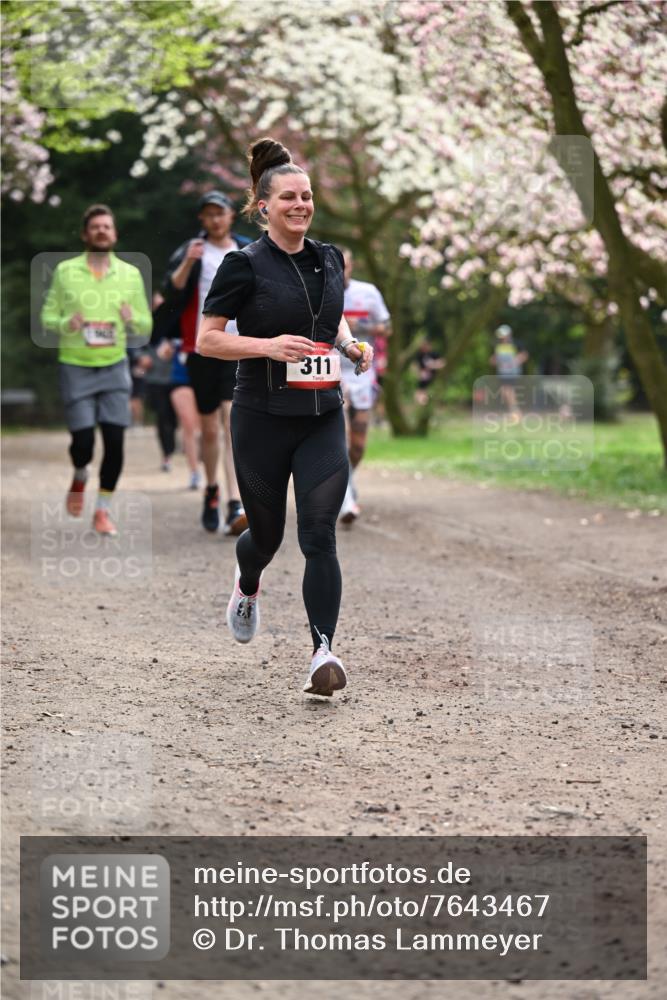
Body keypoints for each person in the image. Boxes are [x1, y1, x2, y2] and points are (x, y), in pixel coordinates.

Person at [197, 137, 373, 697]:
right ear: (264, 205)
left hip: (322, 413)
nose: (301, 204)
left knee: (319, 534)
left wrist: (348, 346)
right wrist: (268, 347)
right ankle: (247, 584)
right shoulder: (242, 265)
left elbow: (330, 319)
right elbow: (208, 341)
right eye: (289, 197)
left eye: (308, 196)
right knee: (267, 537)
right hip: (262, 416)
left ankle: (323, 653)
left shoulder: (329, 258)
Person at [41, 203, 152, 535]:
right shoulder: (65, 272)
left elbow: (146, 322)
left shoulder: (130, 274)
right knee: (83, 443)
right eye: (96, 227)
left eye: (107, 226)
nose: (102, 230)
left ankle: (102, 510)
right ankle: (79, 473)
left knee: (116, 440)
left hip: (115, 366)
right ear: (85, 234)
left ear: (115, 234)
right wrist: (67, 322)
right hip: (76, 366)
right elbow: (47, 318)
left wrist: (134, 319)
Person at [162, 192, 251, 534]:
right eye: (209, 214)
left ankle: (235, 503)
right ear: (202, 219)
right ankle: (211, 490)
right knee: (209, 428)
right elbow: (171, 290)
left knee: (231, 422)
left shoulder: (246, 249)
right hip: (200, 347)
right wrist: (188, 261)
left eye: (221, 213)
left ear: (231, 216)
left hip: (236, 344)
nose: (215, 220)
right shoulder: (192, 250)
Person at [338, 248, 390, 525]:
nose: (341, 270)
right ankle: (345, 498)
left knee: (357, 444)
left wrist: (364, 327)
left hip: (363, 373)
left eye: (345, 265)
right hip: (334, 371)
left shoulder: (368, 292)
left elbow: (386, 327)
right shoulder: (320, 290)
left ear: (352, 266)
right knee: (342, 437)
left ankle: (347, 481)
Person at [490, 324, 529, 421]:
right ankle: (515, 412)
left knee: (508, 391)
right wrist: (494, 361)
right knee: (505, 392)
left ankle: (515, 413)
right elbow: (494, 359)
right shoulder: (498, 346)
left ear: (509, 334)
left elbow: (524, 355)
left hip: (512, 372)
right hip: (502, 372)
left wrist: (515, 362)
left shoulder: (516, 344)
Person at [414, 338, 445, 406]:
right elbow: (415, 366)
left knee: (426, 394)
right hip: (423, 378)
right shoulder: (419, 355)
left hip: (433, 377)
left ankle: (424, 402)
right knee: (419, 394)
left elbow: (442, 363)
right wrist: (419, 373)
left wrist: (433, 365)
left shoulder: (434, 354)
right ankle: (421, 405)